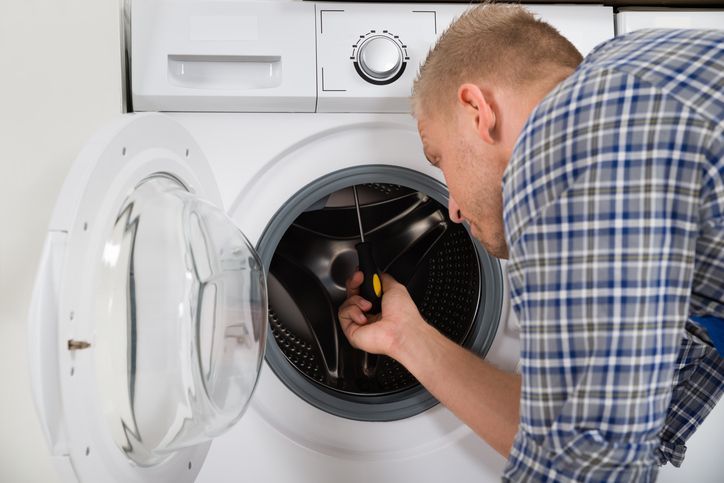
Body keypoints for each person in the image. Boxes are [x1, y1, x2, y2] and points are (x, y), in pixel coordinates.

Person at [338, 4, 724, 481]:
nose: (453, 208)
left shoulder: (564, 147)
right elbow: (604, 430)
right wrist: (407, 339)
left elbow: (588, 471)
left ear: (479, 110)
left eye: (438, 160)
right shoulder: (631, 81)